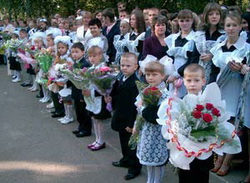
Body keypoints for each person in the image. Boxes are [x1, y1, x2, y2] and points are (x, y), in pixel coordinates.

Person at [210, 13, 250, 176]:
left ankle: (227, 161)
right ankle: (219, 158)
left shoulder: (247, 48)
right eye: (228, 25)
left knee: (235, 127)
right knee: (221, 125)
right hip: (222, 88)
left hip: (238, 89)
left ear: (241, 27)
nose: (231, 28)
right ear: (224, 27)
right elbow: (213, 67)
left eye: (234, 25)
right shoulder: (218, 45)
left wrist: (242, 70)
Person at [108, 52, 142, 180]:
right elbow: (116, 93)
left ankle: (134, 167)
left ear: (135, 67)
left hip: (129, 119)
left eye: (128, 65)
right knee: (123, 141)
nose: (124, 68)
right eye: (122, 65)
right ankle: (125, 159)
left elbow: (135, 107)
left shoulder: (135, 83)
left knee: (131, 144)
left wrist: (131, 124)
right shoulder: (121, 78)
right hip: (120, 114)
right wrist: (110, 97)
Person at [178, 63, 213, 183]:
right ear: (184, 81)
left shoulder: (208, 102)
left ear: (203, 81)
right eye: (189, 80)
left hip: (203, 148)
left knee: (202, 176)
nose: (192, 84)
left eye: (196, 80)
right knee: (185, 175)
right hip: (185, 149)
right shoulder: (181, 101)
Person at [135, 61, 168, 183]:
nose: (150, 77)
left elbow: (155, 116)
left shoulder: (164, 94)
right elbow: (140, 113)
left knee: (158, 159)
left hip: (158, 132)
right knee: (148, 156)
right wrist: (136, 126)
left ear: (163, 76)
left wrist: (142, 107)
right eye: (148, 74)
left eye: (154, 74)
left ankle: (157, 180)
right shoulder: (146, 90)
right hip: (146, 130)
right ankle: (150, 180)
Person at [83, 46, 111, 151]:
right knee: (94, 119)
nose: (92, 58)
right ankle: (97, 139)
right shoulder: (91, 69)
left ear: (100, 56)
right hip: (92, 98)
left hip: (100, 98)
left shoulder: (103, 69)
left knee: (99, 120)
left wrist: (93, 91)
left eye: (94, 56)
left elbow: (106, 86)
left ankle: (101, 140)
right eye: (90, 56)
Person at [165, 9, 197, 98]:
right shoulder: (173, 38)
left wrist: (177, 75)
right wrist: (169, 73)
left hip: (187, 73)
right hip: (173, 73)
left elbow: (192, 60)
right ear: (178, 22)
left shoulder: (195, 38)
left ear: (192, 21)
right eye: (182, 21)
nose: (184, 23)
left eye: (187, 20)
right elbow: (169, 58)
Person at [194, 2, 224, 84]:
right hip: (200, 71)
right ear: (206, 16)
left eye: (217, 14)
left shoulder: (224, 34)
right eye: (211, 14)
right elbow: (194, 56)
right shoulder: (199, 34)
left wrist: (213, 56)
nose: (214, 16)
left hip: (218, 73)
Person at [70, 42, 92, 137]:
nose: (74, 54)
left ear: (83, 52)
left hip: (82, 90)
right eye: (72, 52)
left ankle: (86, 129)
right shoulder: (76, 63)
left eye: (76, 52)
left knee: (83, 111)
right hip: (76, 89)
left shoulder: (85, 64)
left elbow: (86, 79)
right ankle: (80, 126)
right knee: (78, 110)